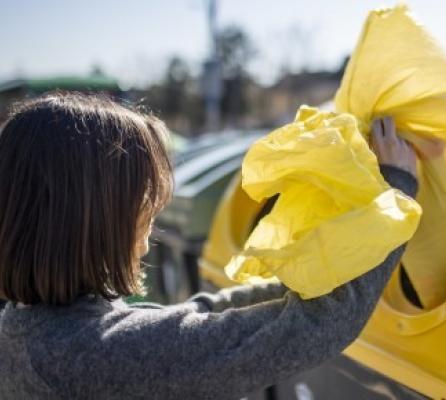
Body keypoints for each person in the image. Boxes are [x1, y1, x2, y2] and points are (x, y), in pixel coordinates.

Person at [0, 93, 418, 399]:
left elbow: (198, 316)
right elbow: (313, 329)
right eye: (145, 200)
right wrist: (398, 190)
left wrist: (299, 283)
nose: (153, 216)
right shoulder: (95, 357)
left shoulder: (31, 330)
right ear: (95, 217)